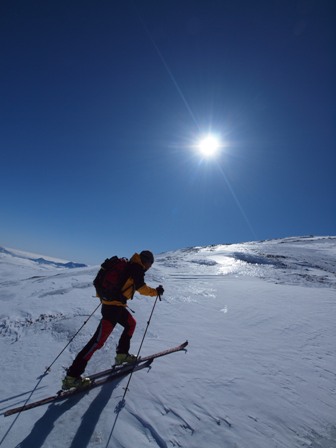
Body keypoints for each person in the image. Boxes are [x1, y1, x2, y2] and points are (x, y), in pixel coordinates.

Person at [62, 250, 164, 390]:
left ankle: (122, 354)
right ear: (146, 261)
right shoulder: (137, 268)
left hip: (114, 305)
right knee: (96, 343)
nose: (150, 267)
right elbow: (142, 288)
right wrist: (156, 292)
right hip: (113, 309)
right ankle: (72, 377)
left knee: (131, 323)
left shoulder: (130, 264)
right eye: (150, 264)